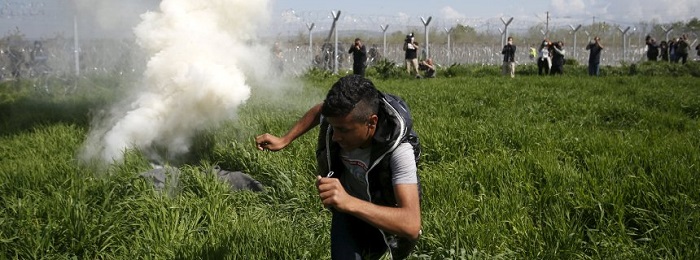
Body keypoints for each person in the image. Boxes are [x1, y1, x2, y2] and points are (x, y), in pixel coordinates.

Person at [255, 75, 422, 259]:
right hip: (347, 215)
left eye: (343, 130)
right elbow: (321, 110)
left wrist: (348, 201)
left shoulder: (399, 151)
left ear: (371, 122)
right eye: (333, 127)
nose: (335, 137)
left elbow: (411, 224)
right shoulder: (341, 118)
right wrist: (284, 140)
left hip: (384, 219)